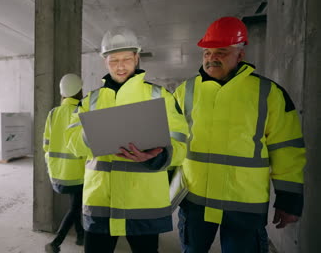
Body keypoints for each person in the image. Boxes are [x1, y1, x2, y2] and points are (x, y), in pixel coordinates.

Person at [173, 16, 306, 253]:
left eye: (221, 52)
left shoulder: (268, 93)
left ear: (240, 55)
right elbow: (172, 138)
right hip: (195, 201)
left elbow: (286, 148)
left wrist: (289, 199)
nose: (211, 58)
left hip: (243, 206)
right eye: (207, 53)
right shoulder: (186, 90)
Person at [65, 27, 188, 253]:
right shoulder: (90, 101)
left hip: (143, 204)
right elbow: (72, 143)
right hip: (101, 203)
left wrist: (160, 155)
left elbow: (181, 143)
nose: (120, 66)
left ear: (137, 58)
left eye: (127, 59)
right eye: (113, 61)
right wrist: (93, 133)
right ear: (105, 62)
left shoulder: (160, 96)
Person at [43, 73, 86, 253]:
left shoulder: (53, 114)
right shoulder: (82, 112)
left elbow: (46, 145)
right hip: (77, 173)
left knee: (75, 204)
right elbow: (86, 146)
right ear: (80, 91)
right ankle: (56, 242)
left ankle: (80, 236)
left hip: (56, 173)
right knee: (76, 208)